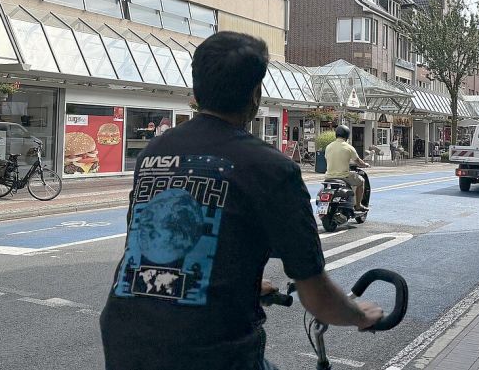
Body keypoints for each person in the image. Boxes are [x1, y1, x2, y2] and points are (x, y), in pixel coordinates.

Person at [99, 32, 383, 370]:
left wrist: (239, 282)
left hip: (124, 336)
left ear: (196, 88)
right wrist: (358, 315)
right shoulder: (272, 168)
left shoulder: (153, 153)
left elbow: (148, 240)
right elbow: (317, 295)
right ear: (255, 93)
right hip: (210, 350)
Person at [325, 125, 370, 211]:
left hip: (328, 176)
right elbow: (359, 162)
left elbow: (328, 158)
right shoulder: (348, 147)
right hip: (343, 176)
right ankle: (358, 205)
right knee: (361, 181)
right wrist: (365, 165)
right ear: (347, 135)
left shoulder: (328, 146)